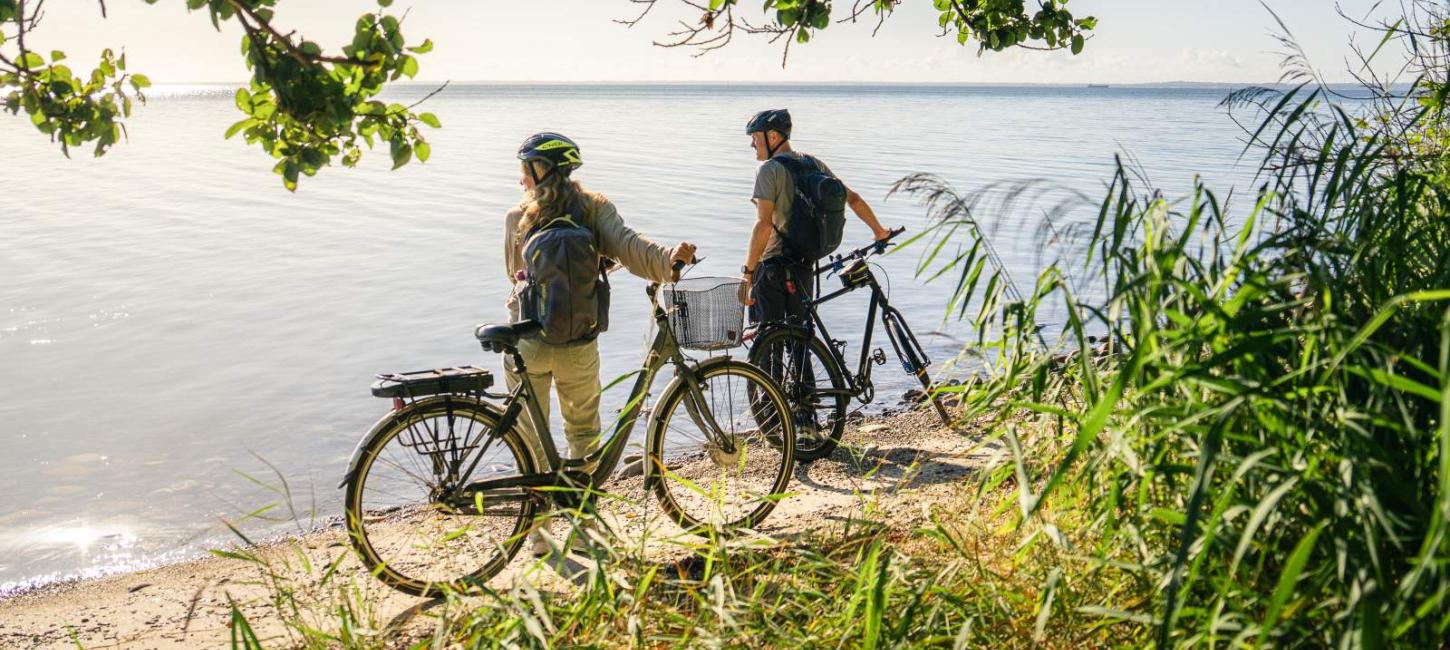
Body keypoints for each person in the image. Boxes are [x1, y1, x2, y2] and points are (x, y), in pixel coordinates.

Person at [503, 132, 695, 554]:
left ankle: (536, 534)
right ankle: (584, 525)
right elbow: (632, 248)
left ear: (538, 170)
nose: (520, 179)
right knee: (584, 436)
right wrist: (670, 261)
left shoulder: (517, 216)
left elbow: (514, 275)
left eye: (523, 169)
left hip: (528, 342)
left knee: (530, 440)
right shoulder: (594, 207)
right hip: (579, 342)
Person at [738, 108, 892, 323]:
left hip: (772, 269)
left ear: (772, 136)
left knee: (768, 343)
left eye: (755, 137)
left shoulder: (768, 170)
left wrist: (747, 274)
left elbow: (763, 225)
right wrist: (879, 231)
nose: (752, 144)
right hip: (803, 265)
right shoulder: (814, 164)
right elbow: (854, 198)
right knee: (800, 340)